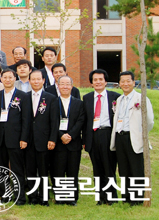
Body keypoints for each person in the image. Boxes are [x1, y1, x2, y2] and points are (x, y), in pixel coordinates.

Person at [110, 71, 154, 205]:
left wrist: (140, 133)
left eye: (128, 81)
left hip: (134, 137)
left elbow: (150, 121)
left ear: (133, 82)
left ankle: (137, 198)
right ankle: (126, 197)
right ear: (119, 84)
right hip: (120, 137)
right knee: (123, 169)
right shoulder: (119, 99)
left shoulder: (141, 98)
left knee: (136, 168)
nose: (125, 84)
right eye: (122, 81)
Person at [82, 69, 121, 205]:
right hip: (93, 135)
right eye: (95, 80)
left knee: (109, 167)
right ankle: (100, 197)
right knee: (97, 168)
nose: (98, 82)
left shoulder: (115, 97)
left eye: (100, 79)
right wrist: (84, 140)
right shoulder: (86, 98)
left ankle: (112, 198)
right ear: (91, 83)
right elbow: (85, 120)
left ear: (105, 81)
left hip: (108, 134)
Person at [0, 68, 31, 206]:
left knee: (17, 169)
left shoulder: (23, 96)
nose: (8, 80)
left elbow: (26, 119)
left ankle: (20, 197)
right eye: (5, 77)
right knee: (2, 170)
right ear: (1, 79)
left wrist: (24, 138)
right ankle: (4, 196)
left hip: (16, 139)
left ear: (15, 79)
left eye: (10, 77)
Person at [25, 70, 59, 206]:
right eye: (33, 79)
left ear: (43, 80)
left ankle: (44, 197)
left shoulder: (50, 98)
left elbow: (54, 121)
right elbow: (24, 120)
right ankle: (33, 197)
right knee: (31, 170)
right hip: (28, 140)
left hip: (44, 140)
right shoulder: (25, 97)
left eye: (38, 79)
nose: (36, 81)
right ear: (29, 81)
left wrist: (52, 139)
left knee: (44, 170)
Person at [53, 75, 85, 206]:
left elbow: (81, 121)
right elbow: (51, 122)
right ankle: (59, 197)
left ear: (72, 86)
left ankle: (72, 198)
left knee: (73, 171)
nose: (65, 86)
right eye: (62, 84)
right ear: (58, 86)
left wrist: (70, 135)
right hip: (58, 142)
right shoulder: (53, 102)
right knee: (58, 171)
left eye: (68, 84)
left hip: (74, 142)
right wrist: (61, 135)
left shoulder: (79, 103)